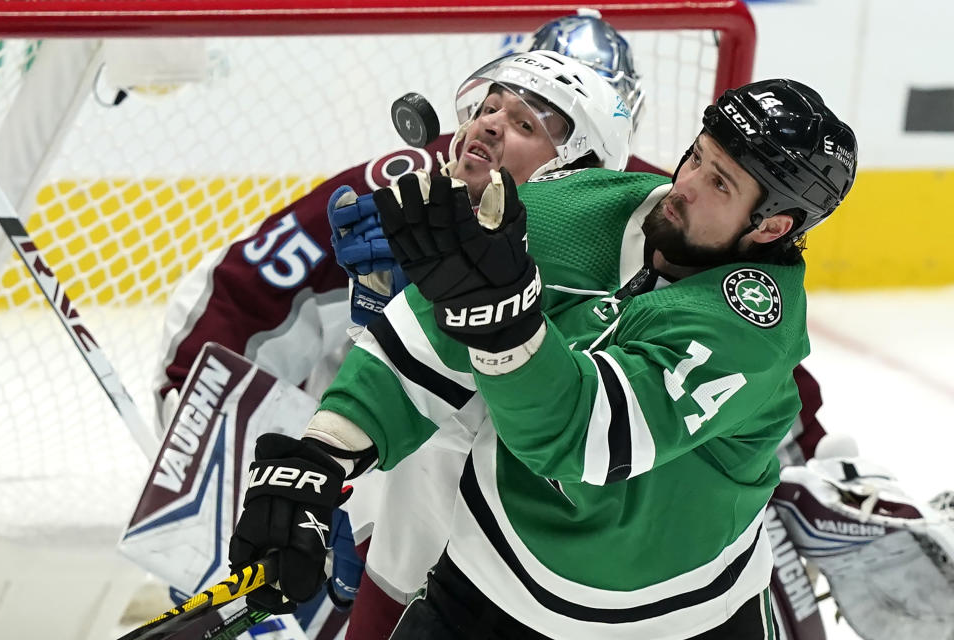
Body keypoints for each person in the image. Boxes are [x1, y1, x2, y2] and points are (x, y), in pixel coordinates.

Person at [228, 78, 858, 639]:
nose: (684, 185)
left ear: (772, 227)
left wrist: (504, 322)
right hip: (494, 575)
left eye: (719, 183)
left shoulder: (751, 326)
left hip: (685, 614)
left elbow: (582, 440)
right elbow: (415, 355)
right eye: (696, 156)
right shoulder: (579, 211)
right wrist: (314, 463)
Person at [151, 12, 645, 639]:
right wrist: (246, 458)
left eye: (528, 122)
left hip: (547, 553)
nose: (492, 125)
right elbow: (246, 294)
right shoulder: (403, 188)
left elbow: (708, 356)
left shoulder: (644, 225)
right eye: (492, 106)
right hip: (387, 484)